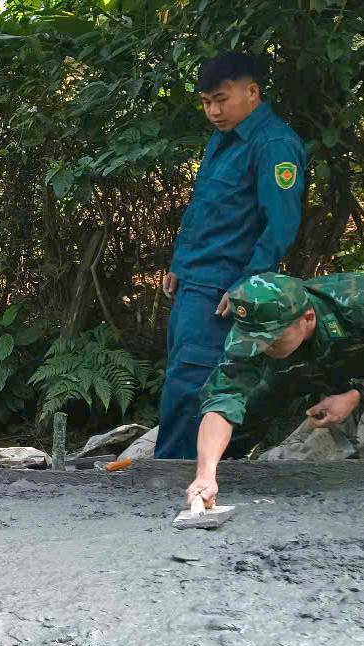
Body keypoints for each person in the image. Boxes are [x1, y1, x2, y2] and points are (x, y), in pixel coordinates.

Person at [156, 52, 306, 459]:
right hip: (193, 282)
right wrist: (179, 263)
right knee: (182, 381)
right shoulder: (224, 138)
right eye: (206, 102)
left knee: (193, 387)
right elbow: (205, 207)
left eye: (221, 99)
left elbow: (280, 225)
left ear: (252, 91)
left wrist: (248, 284)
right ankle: (177, 477)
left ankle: (172, 480)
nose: (213, 111)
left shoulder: (274, 144)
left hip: (223, 289)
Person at [186, 272, 364, 506]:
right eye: (254, 341)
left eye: (272, 339)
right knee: (248, 408)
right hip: (298, 368)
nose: (263, 348)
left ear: (308, 318)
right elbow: (223, 399)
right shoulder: (255, 332)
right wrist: (206, 473)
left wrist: (355, 396)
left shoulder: (355, 303)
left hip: (354, 367)